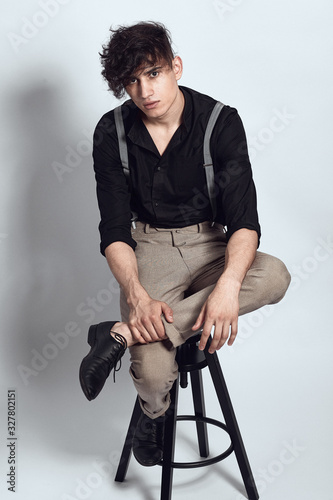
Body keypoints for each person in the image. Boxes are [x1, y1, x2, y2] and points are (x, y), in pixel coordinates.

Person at [79, 21, 291, 467]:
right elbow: (114, 230)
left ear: (175, 66)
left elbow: (244, 221)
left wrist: (230, 286)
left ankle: (120, 336)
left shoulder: (220, 122)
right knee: (155, 377)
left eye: (153, 73)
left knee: (275, 275)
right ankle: (152, 415)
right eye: (131, 81)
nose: (144, 90)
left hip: (211, 244)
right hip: (149, 246)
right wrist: (137, 297)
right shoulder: (110, 132)